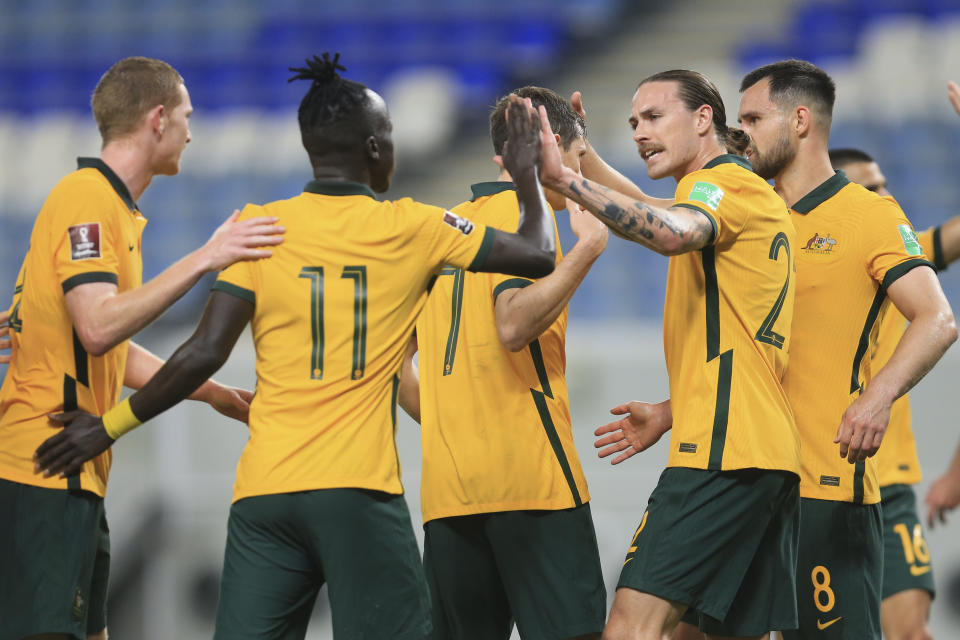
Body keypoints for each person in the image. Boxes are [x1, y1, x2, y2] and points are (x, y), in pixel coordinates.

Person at [34, 53, 558, 639]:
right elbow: (537, 253)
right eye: (386, 136)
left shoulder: (259, 228)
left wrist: (107, 427)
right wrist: (529, 176)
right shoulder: (414, 226)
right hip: (358, 494)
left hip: (266, 497)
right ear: (375, 148)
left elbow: (201, 353)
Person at [0, 56, 284, 640]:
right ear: (158, 119)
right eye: (186, 115)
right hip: (43, 466)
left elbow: (112, 350)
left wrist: (210, 393)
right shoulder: (87, 200)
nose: (191, 130)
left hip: (74, 472)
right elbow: (99, 328)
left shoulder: (116, 212)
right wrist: (208, 256)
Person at [538, 69, 802, 639]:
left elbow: (669, 231)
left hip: (721, 454)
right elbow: (651, 210)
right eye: (633, 122)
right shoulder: (733, 192)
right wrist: (581, 155)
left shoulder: (724, 187)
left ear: (704, 118)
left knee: (632, 627)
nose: (639, 132)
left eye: (654, 117)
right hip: (760, 451)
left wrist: (568, 178)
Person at [736, 59, 956, 640]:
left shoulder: (879, 225)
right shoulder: (762, 225)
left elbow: (938, 317)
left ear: (801, 120)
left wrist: (877, 396)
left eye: (754, 119)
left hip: (851, 479)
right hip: (765, 478)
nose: (744, 135)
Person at [404, 86, 608, 640]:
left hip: (448, 494)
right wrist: (587, 251)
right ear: (554, 148)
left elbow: (399, 367)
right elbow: (513, 324)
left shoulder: (439, 231)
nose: (580, 173)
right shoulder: (528, 219)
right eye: (577, 156)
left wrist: (454, 418)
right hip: (532, 482)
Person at [830, 138, 960, 640]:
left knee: (911, 634)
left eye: (887, 184)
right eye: (871, 188)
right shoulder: (797, 258)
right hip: (816, 480)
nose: (888, 197)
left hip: (889, 482)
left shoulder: (898, 251)